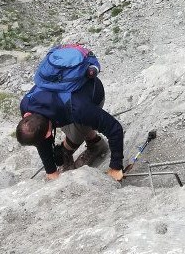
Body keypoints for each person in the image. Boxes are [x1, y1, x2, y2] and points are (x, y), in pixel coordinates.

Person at [15, 45, 125, 181]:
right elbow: (41, 141)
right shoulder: (26, 105)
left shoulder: (79, 109)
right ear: (26, 116)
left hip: (93, 96)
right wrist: (51, 171)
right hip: (65, 103)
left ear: (49, 133)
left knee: (77, 133)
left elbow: (115, 129)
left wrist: (116, 167)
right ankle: (89, 143)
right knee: (74, 127)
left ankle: (94, 146)